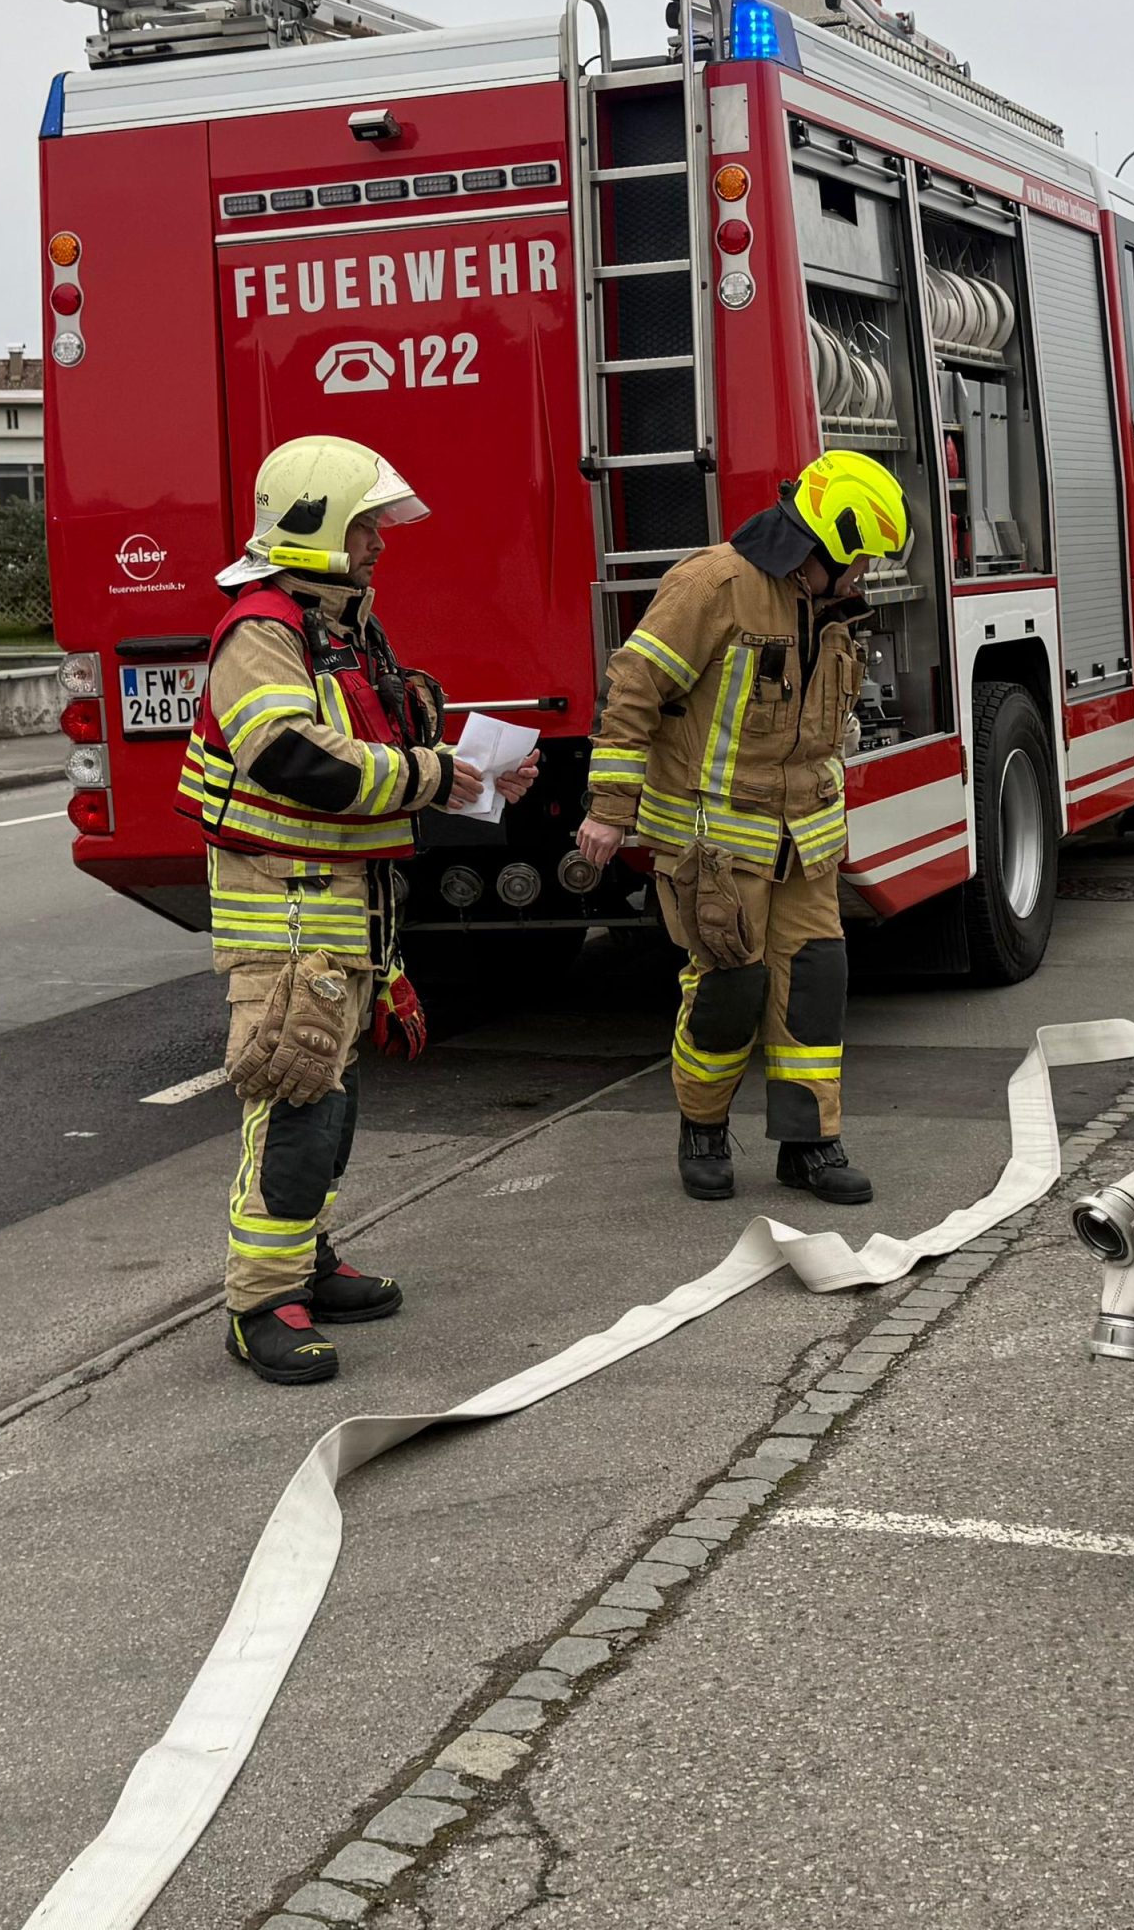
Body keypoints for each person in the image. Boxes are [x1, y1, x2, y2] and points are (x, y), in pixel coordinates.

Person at [180, 433, 533, 1385]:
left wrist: (466, 776)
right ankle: (260, 1305)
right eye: (368, 526)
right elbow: (293, 758)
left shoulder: (334, 620)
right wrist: (431, 774)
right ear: (318, 525)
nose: (382, 543)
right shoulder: (263, 628)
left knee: (326, 1103)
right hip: (286, 913)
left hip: (339, 907)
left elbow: (370, 737)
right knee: (292, 1099)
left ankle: (306, 1257)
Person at [576, 451, 908, 1207]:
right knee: (731, 988)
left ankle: (810, 1144)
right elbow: (633, 689)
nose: (866, 575)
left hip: (806, 845)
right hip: (714, 849)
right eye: (859, 559)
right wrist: (608, 811)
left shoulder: (827, 607)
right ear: (820, 548)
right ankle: (702, 1128)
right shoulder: (712, 586)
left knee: (814, 987)